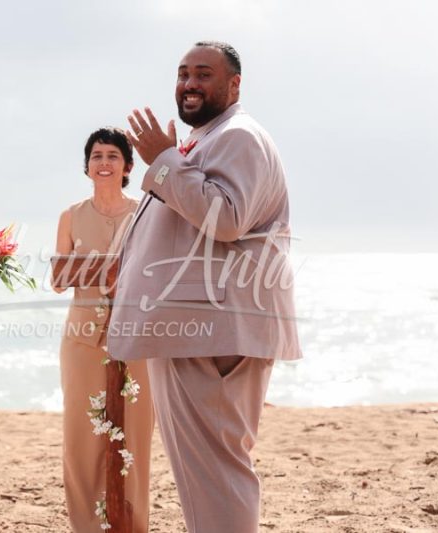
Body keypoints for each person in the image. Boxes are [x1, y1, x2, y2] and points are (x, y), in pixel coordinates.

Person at [107, 41, 302, 532]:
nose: (190, 83)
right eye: (183, 73)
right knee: (208, 472)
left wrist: (162, 159)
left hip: (209, 331)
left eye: (204, 74)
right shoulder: (209, 139)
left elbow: (227, 217)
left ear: (234, 84)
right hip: (197, 329)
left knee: (215, 471)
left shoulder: (238, 136)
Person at [53, 128, 154, 533]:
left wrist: (103, 269)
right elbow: (58, 279)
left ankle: (133, 524)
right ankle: (85, 526)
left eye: (113, 155)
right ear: (87, 166)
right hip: (82, 341)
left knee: (136, 436)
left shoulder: (147, 212)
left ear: (128, 166)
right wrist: (107, 268)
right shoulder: (71, 216)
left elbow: (157, 274)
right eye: (96, 156)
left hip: (138, 340)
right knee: (81, 438)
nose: (104, 163)